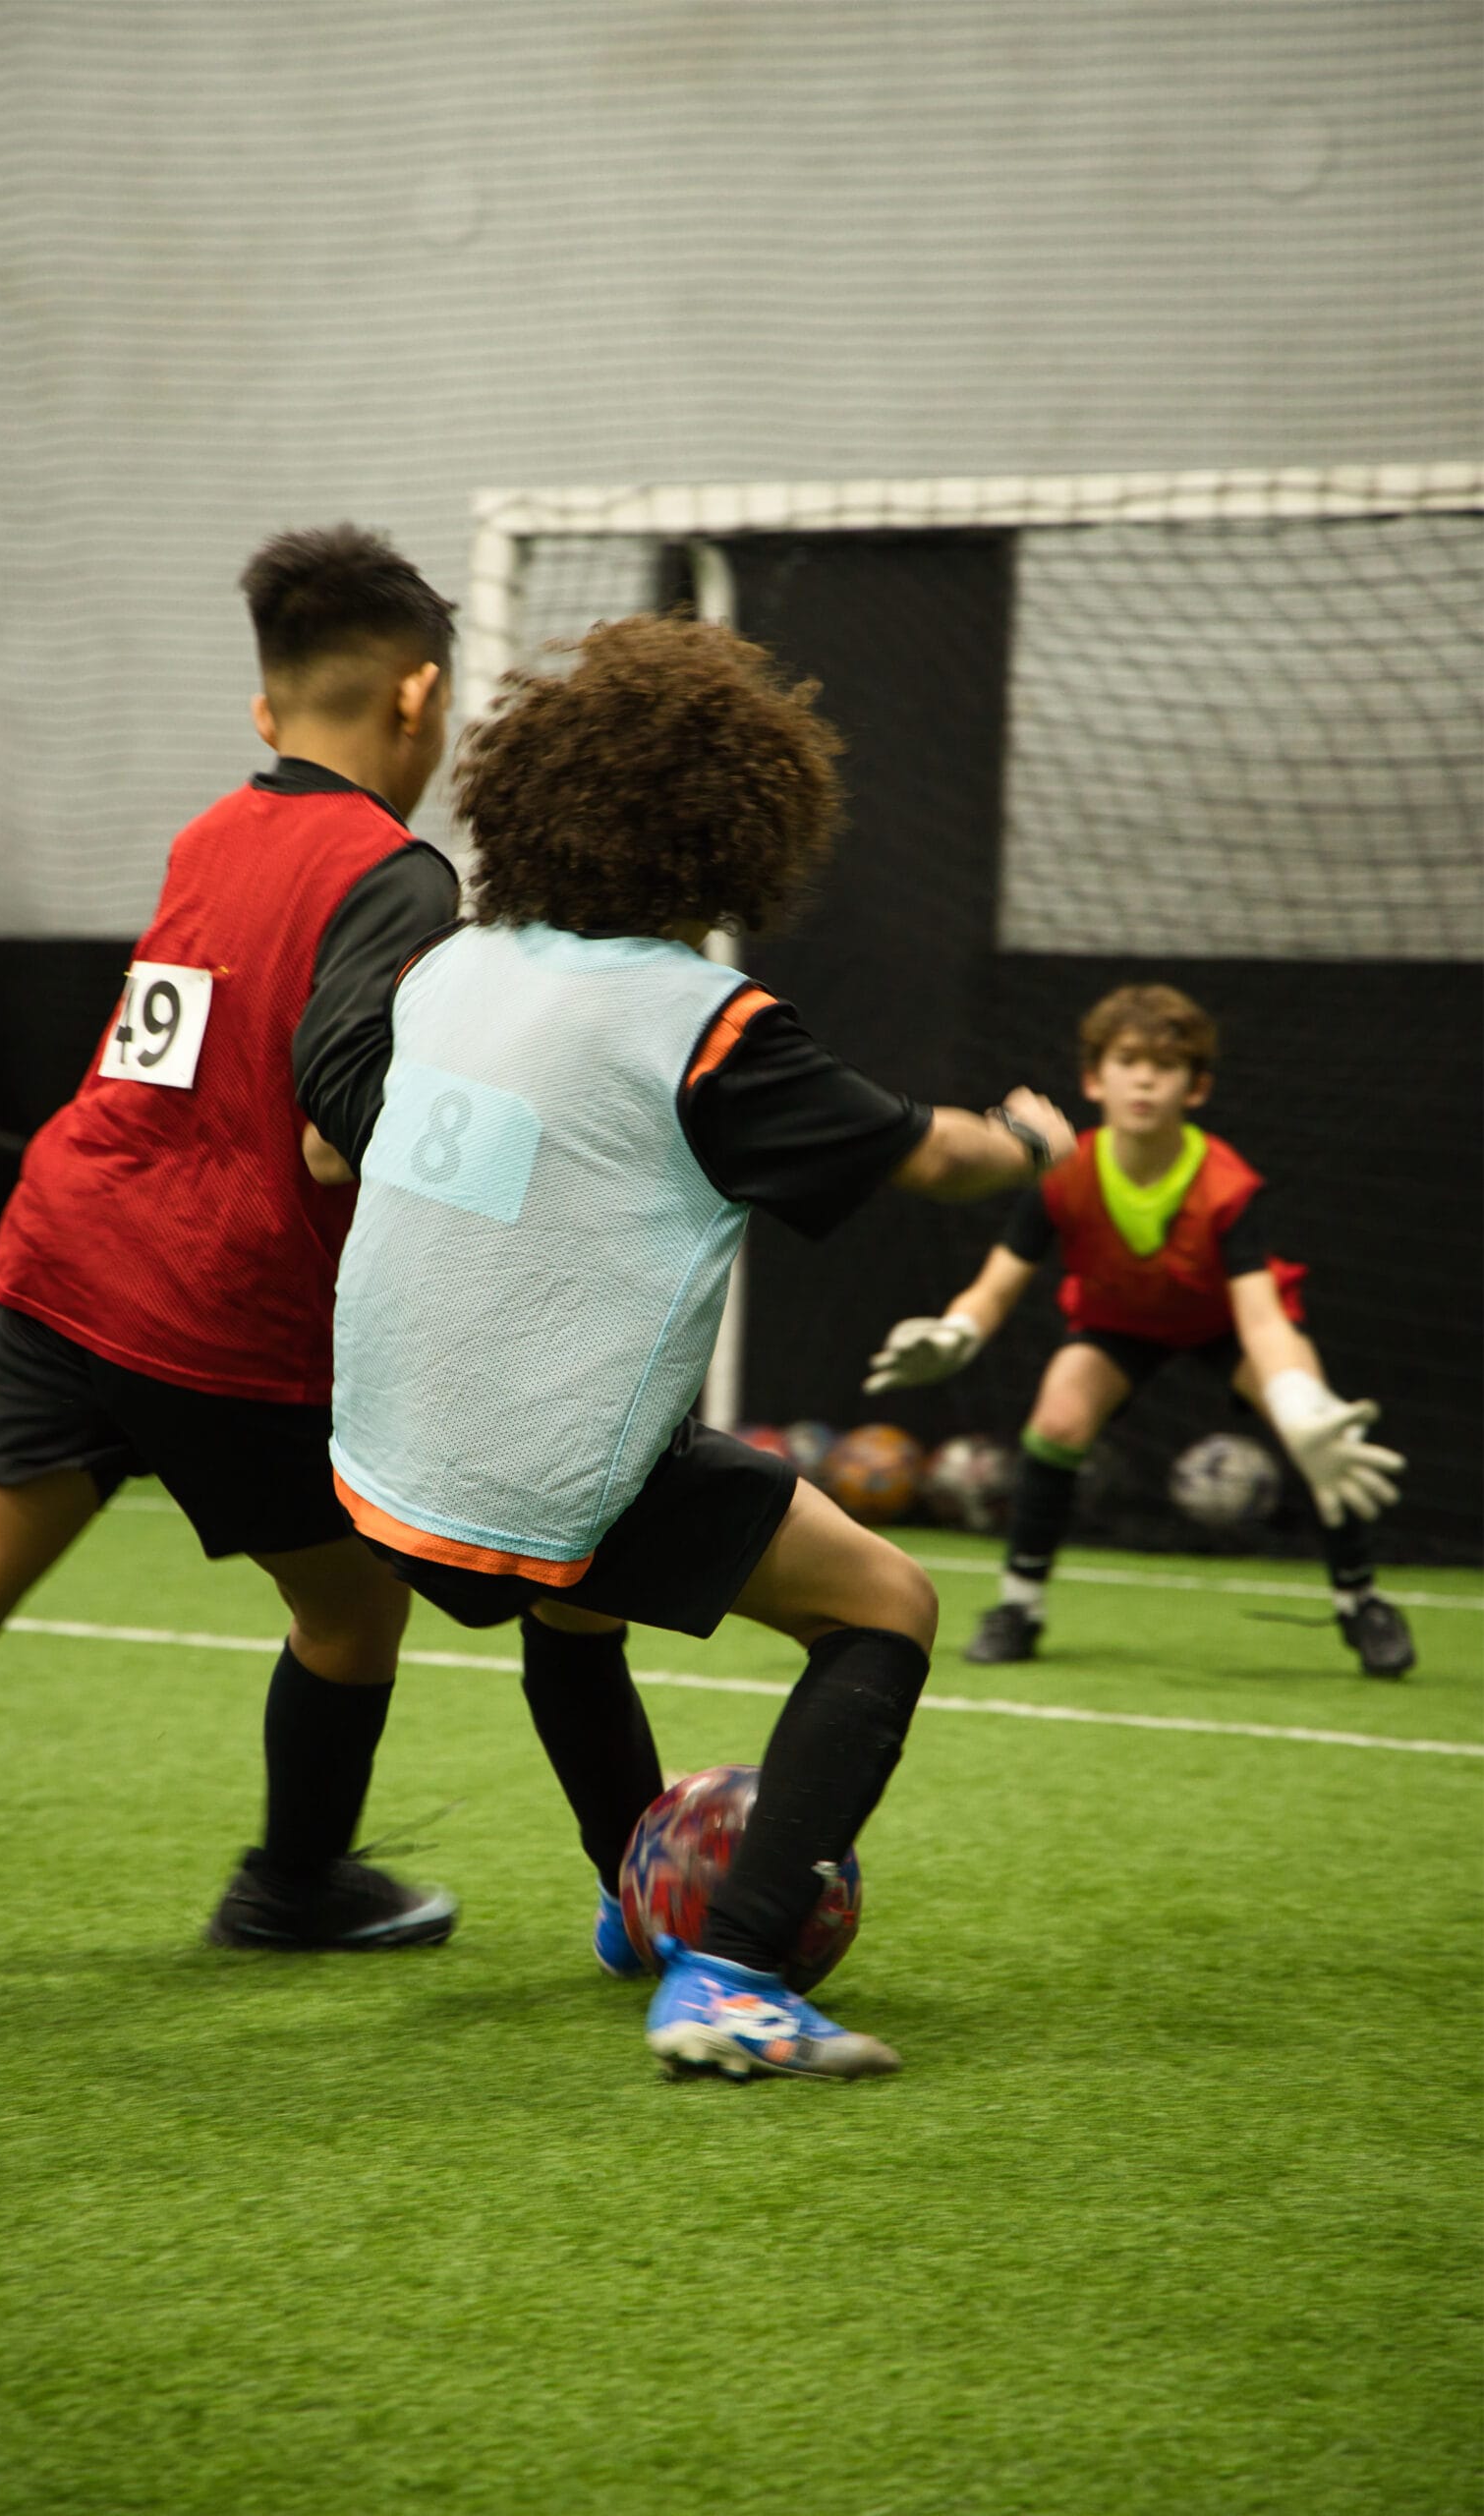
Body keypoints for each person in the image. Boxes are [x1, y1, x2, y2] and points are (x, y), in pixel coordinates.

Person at [299, 612, 1077, 2082]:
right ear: (733, 835)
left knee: (578, 1610)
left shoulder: (453, 969)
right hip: (536, 1477)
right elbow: (928, 1156)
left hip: (381, 1458)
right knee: (886, 1606)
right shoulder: (706, 1025)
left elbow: (337, 1149)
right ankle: (728, 1972)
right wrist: (1029, 1139)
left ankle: (632, 1893)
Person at [0, 526, 466, 1947]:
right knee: (352, 1614)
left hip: (64, 1255)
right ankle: (289, 1892)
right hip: (213, 1305)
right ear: (416, 698)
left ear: (261, 710)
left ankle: (297, 1885)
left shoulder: (206, 833)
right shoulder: (399, 875)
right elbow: (332, 1111)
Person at [864, 982, 1413, 1677]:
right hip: (1119, 1323)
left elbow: (1261, 1314)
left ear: (1196, 1087)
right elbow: (998, 1281)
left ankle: (1359, 1601)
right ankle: (1018, 1608)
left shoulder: (1226, 1184)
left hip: (1223, 1323)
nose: (1145, 1077)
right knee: (1058, 1420)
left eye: (1166, 1064)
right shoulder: (1062, 1173)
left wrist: (1300, 1402)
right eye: (1127, 1060)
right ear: (1094, 1078)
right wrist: (956, 1332)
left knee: (1320, 1430)